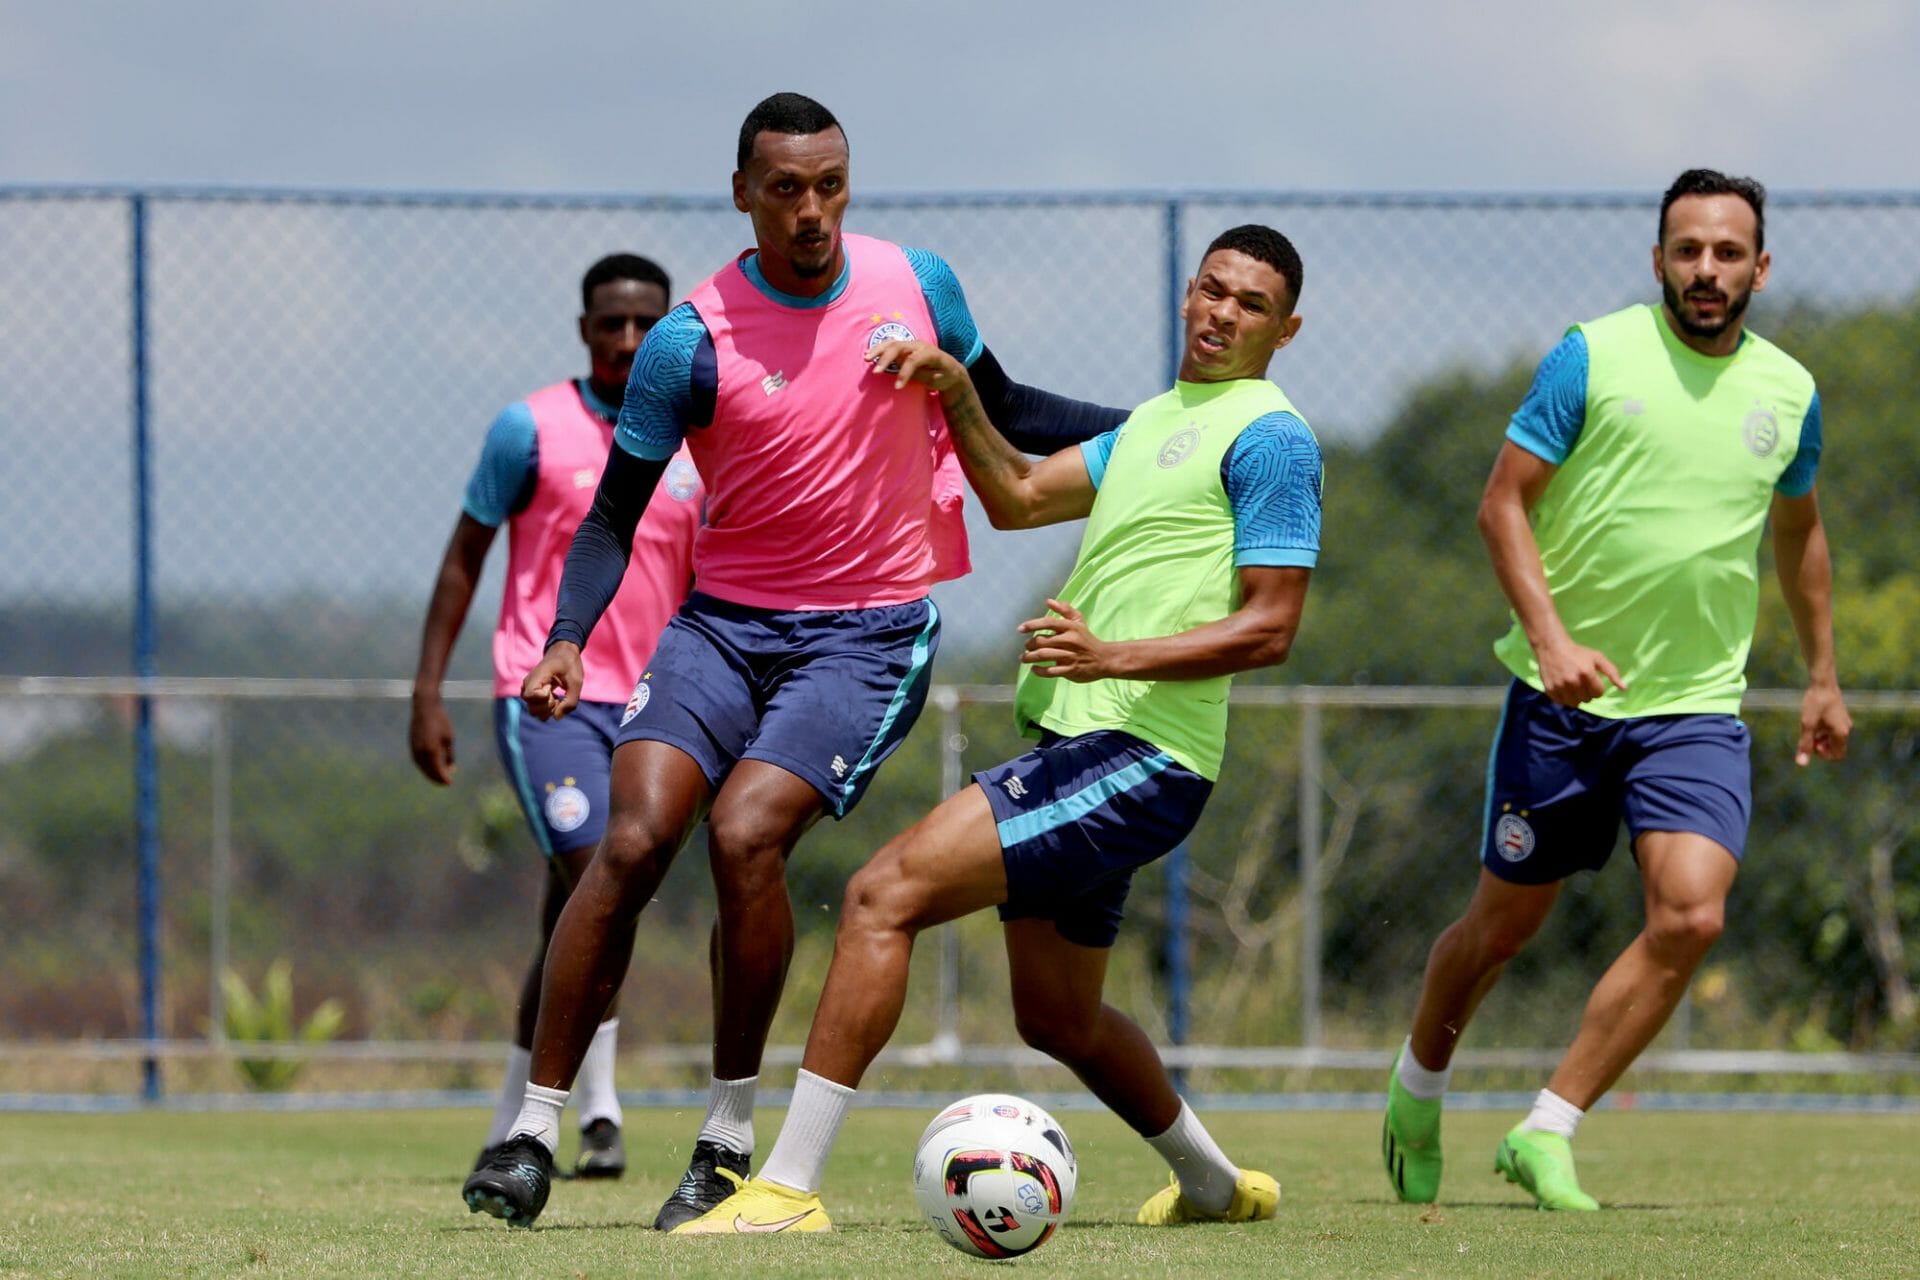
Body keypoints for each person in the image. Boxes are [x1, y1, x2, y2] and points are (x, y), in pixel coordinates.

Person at [461, 92, 1126, 1230]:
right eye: (785, 189)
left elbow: (1008, 406)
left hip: (864, 634)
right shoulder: (690, 340)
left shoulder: (919, 282)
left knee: (745, 832)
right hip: (720, 625)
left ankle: (723, 1140)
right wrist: (567, 636)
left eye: (829, 185)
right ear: (742, 194)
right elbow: (616, 516)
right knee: (628, 842)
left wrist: (1163, 428)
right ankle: (529, 1129)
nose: (811, 210)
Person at [677, 223, 1323, 1235]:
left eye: (1248, 304)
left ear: (1285, 329)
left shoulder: (1271, 437)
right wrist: (951, 388)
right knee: (1056, 1014)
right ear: (1189, 295)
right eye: (1211, 290)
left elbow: (1272, 623)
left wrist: (1116, 656)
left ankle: (787, 1187)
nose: (1220, 313)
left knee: (879, 895)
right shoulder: (1156, 421)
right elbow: (1019, 496)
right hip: (1082, 741)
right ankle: (1212, 1184)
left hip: (1143, 751)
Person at [1380, 169, 1851, 1212]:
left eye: (1729, 252)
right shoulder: (1592, 354)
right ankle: (1418, 1084)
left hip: (1693, 705)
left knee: (1691, 915)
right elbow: (1502, 502)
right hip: (1560, 702)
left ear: (1760, 267)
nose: (1707, 270)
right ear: (1658, 261)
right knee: (1501, 927)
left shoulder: (1790, 391)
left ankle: (1548, 1126)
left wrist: (1821, 674)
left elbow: (1800, 528)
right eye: (1688, 250)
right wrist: (1549, 637)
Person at [410, 252, 702, 1181]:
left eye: (642, 326)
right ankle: (600, 1110)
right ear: (584, 329)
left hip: (657, 701)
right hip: (546, 698)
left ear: (665, 334)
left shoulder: (698, 443)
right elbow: (464, 556)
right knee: (597, 880)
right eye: (608, 324)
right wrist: (426, 693)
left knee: (570, 914)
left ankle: (516, 1119)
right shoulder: (527, 429)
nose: (624, 341)